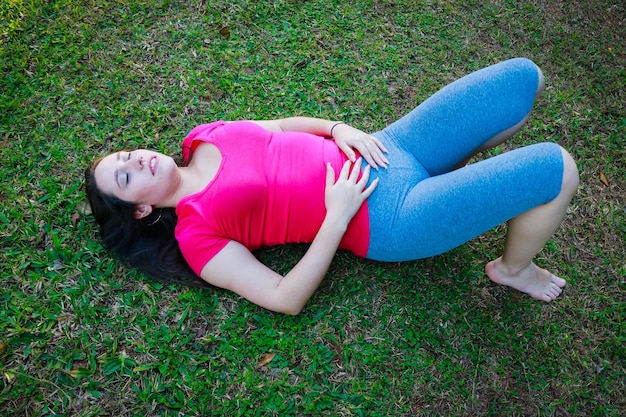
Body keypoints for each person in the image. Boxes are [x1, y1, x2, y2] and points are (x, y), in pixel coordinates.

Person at [85, 58, 579, 315]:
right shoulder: (198, 237)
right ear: (141, 211)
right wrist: (337, 214)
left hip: (391, 146)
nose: (138, 160)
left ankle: (450, 180)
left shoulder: (203, 137)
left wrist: (337, 128)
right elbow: (284, 297)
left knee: (522, 80)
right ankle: (513, 269)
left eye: (127, 155)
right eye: (126, 177)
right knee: (556, 168)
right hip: (388, 218)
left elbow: (278, 127)